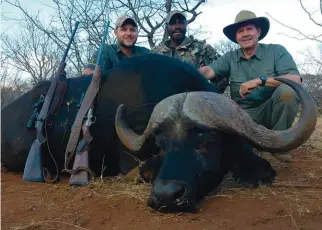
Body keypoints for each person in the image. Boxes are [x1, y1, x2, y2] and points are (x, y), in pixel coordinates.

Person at [199, 10, 302, 162]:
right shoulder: (229, 57)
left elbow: (294, 79)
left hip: (270, 112)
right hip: (241, 116)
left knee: (288, 91)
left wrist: (259, 80)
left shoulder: (276, 51)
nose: (245, 34)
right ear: (236, 37)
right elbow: (208, 71)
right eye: (240, 31)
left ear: (258, 31)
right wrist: (185, 71)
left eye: (249, 29)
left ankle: (278, 144)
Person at [152, 10, 228, 94]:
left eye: (181, 22)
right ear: (166, 27)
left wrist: (208, 96)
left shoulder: (202, 48)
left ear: (186, 25)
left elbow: (222, 76)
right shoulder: (155, 53)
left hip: (195, 104)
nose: (177, 26)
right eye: (173, 23)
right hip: (162, 104)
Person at [82, 16, 150, 77]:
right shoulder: (106, 51)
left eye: (132, 30)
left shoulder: (145, 53)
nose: (129, 33)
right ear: (115, 32)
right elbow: (86, 73)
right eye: (123, 29)